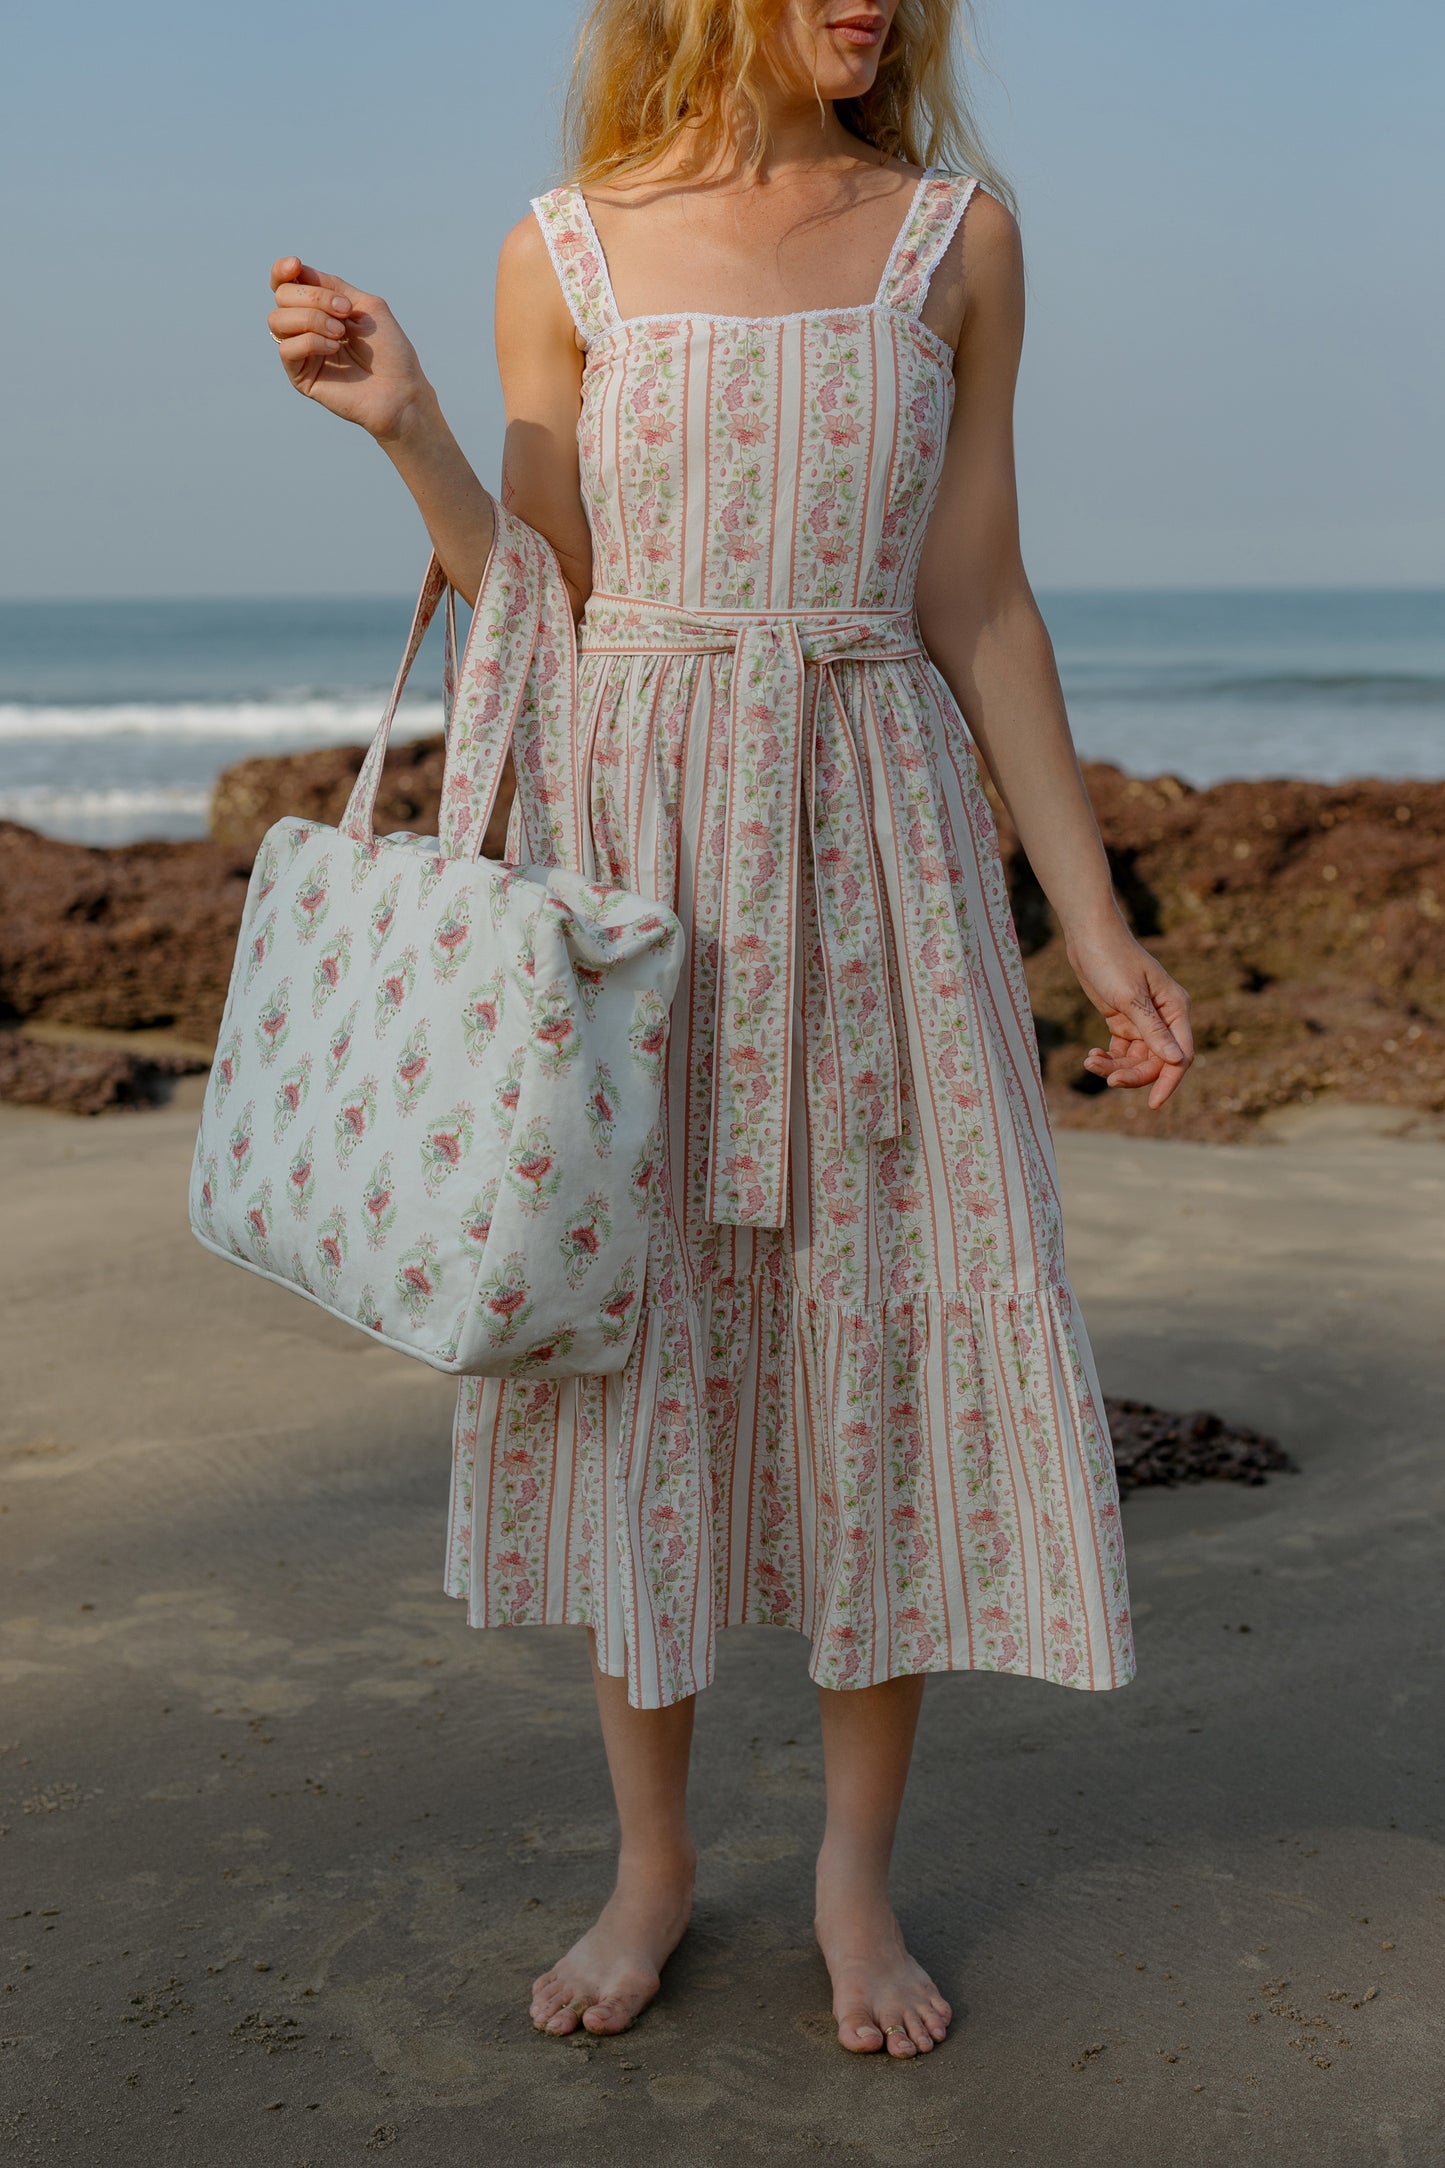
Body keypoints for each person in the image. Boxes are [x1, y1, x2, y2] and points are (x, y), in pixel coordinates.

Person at [265, 0, 1192, 2059]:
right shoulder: (560, 248)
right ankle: (654, 1862)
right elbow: (538, 591)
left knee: (880, 1329)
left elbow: (980, 598)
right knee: (644, 1334)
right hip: (640, 847)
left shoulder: (961, 239)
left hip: (879, 832)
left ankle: (856, 1876)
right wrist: (411, 422)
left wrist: (1099, 925)